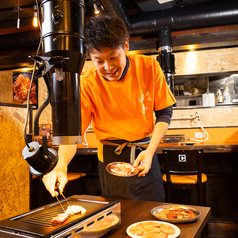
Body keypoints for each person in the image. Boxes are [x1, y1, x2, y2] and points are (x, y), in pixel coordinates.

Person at [43, 14, 176, 202]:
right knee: (119, 214)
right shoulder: (87, 83)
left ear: (126, 47)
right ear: (90, 57)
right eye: (99, 61)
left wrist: (151, 150)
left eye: (113, 57)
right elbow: (73, 135)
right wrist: (61, 165)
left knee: (152, 210)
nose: (108, 67)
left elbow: (164, 112)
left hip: (145, 150)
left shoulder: (149, 66)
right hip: (111, 158)